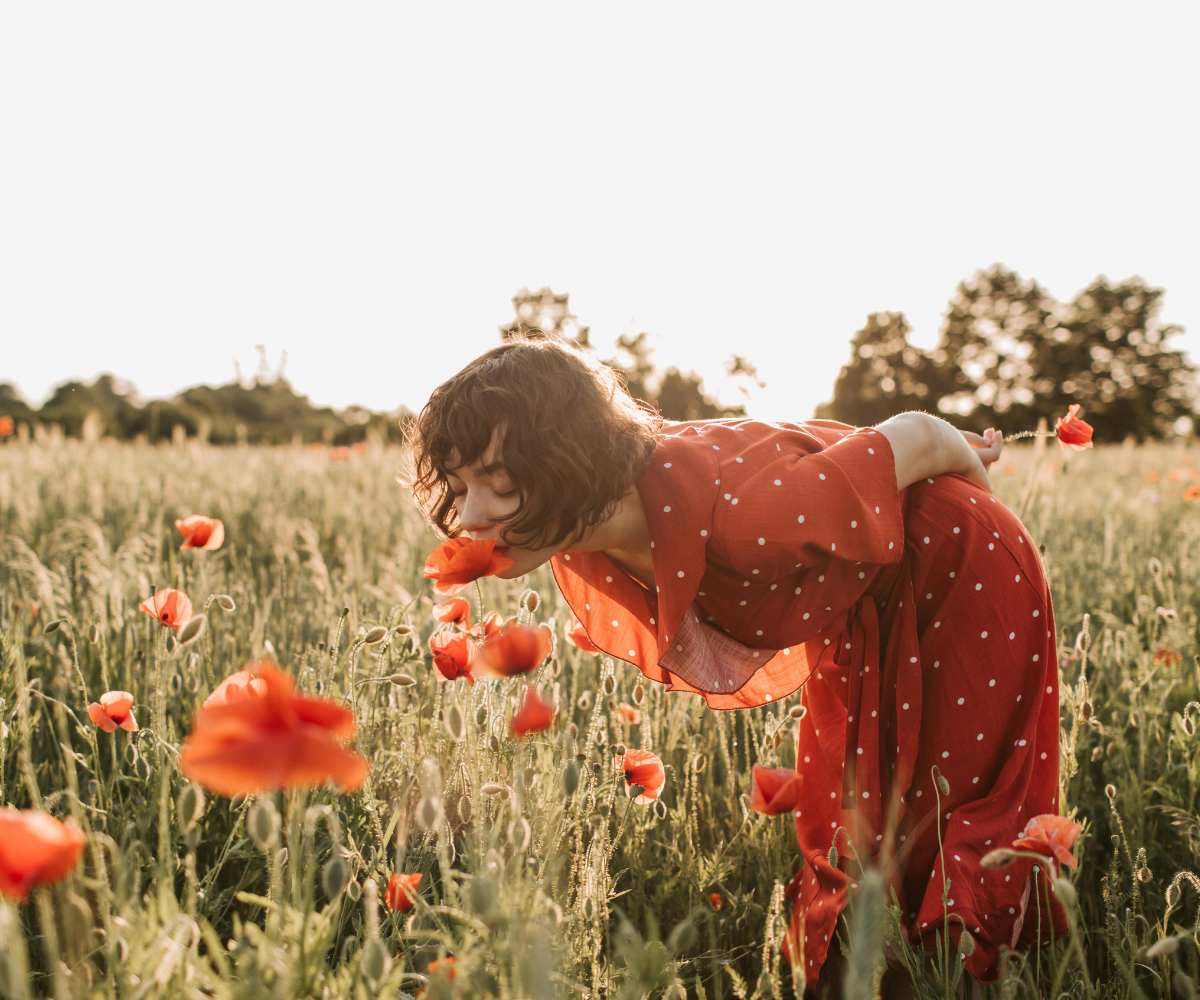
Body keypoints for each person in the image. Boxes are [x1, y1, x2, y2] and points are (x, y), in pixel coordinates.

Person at [404, 333, 1065, 997]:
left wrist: (981, 508)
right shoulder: (583, 528)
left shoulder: (743, 515)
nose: (468, 516)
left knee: (949, 801)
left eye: (499, 482)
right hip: (867, 592)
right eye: (462, 485)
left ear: (570, 458)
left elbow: (918, 434)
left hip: (961, 566)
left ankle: (964, 982)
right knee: (855, 805)